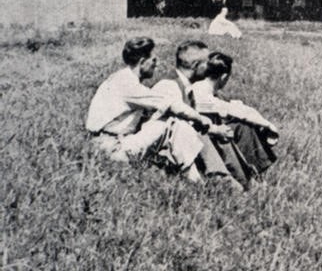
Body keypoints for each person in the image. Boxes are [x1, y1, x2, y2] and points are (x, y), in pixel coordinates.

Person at [84, 37, 217, 183]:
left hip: (109, 143)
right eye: (153, 60)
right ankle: (196, 181)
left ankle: (191, 176)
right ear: (142, 62)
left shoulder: (122, 78)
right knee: (174, 123)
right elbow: (171, 104)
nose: (157, 64)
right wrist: (200, 118)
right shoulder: (127, 84)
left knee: (170, 123)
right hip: (111, 148)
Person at [152, 40, 244, 187]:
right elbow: (177, 126)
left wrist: (216, 130)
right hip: (162, 149)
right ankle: (222, 180)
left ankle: (242, 179)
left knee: (220, 132)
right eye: (207, 63)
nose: (210, 68)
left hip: (182, 146)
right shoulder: (168, 85)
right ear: (195, 66)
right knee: (202, 132)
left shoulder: (188, 88)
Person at [193, 49, 279, 186]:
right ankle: (249, 177)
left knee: (243, 126)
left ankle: (254, 173)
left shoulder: (204, 88)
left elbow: (230, 108)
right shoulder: (200, 92)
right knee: (242, 124)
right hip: (201, 139)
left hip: (206, 133)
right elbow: (233, 110)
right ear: (224, 76)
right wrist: (268, 125)